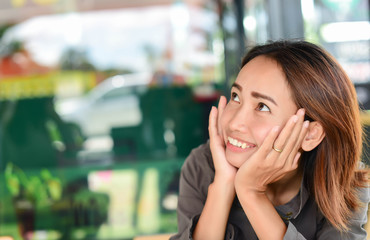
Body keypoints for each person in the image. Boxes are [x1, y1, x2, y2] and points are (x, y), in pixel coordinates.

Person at [170, 40, 369, 240]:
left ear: (310, 134)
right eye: (236, 96)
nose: (235, 123)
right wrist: (223, 183)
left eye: (262, 107)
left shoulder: (345, 183)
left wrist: (251, 193)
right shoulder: (202, 165)